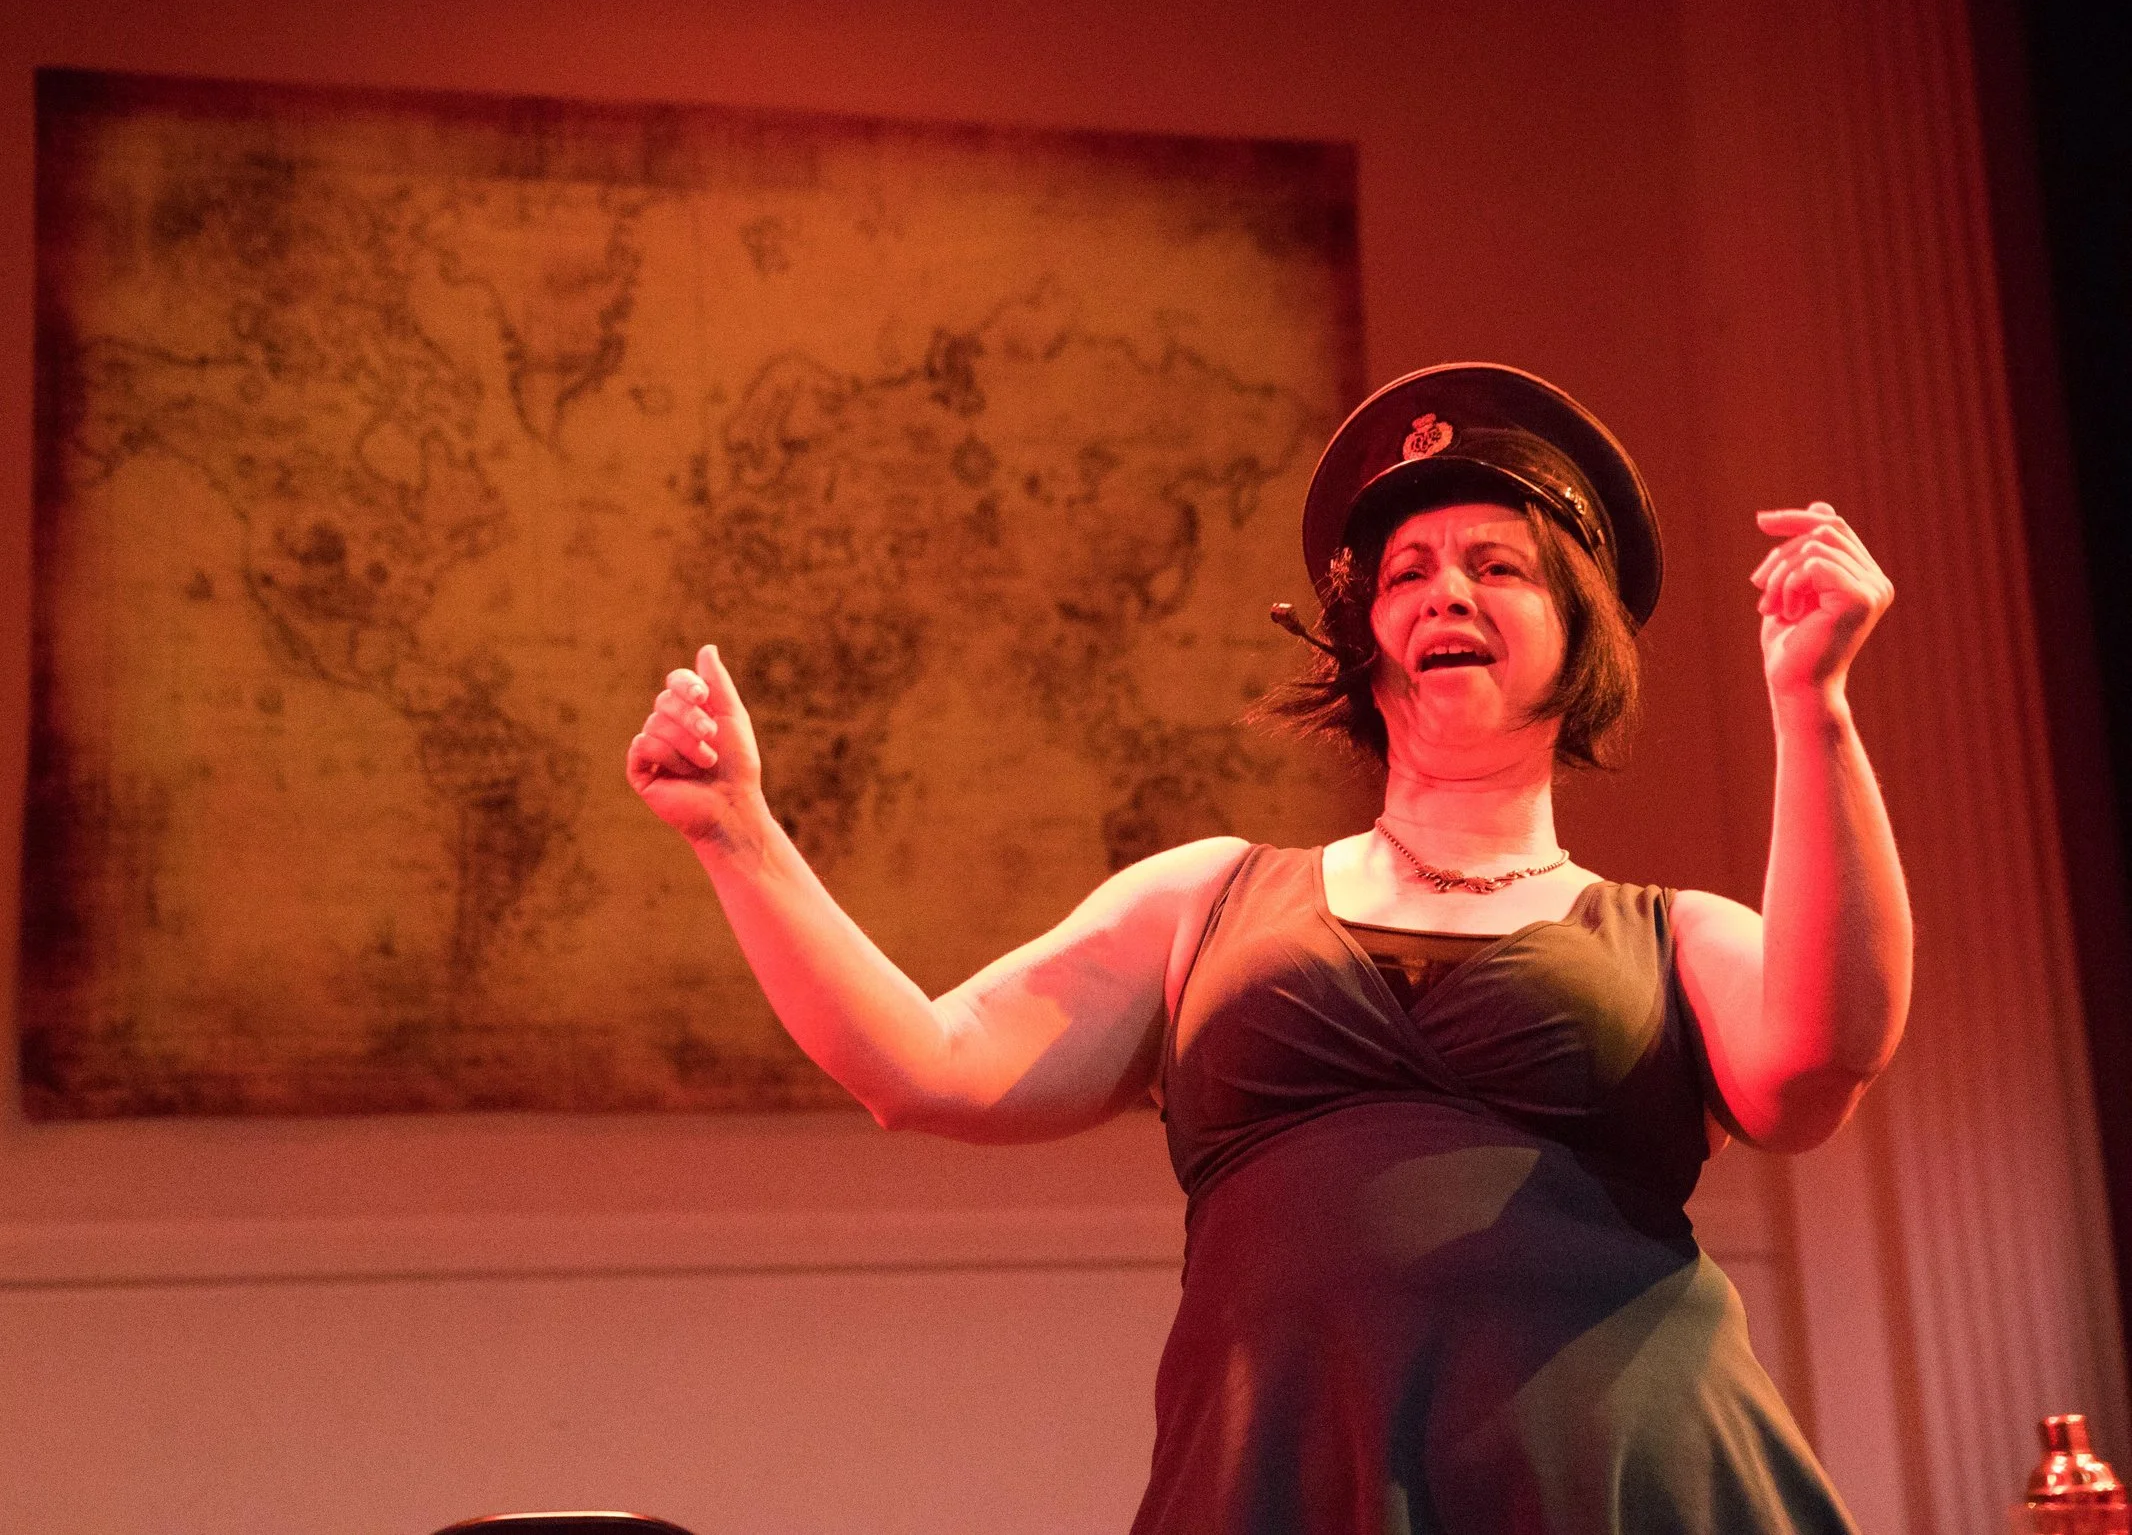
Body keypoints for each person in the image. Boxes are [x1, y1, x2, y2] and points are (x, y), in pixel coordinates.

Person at [625, 362, 1909, 1532]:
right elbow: (922, 1064)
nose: (1446, 589)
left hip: (1620, 1479)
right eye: (1405, 573)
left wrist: (1813, 704)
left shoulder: (1673, 932)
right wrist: (737, 831)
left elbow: (1820, 1063)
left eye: (1498, 565)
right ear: (1362, 640)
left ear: (1581, 629)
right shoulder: (1207, 896)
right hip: (1286, 1479)